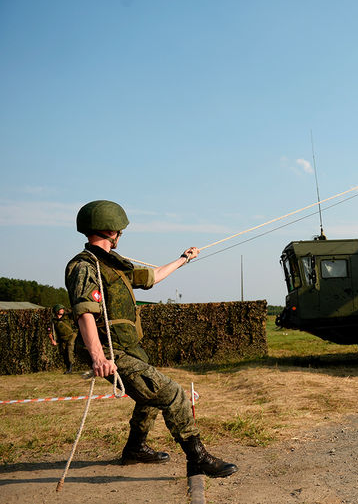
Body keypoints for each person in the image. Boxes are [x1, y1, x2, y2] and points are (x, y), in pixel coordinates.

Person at [65, 200, 237, 478]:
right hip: (111, 351)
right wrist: (99, 357)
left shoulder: (114, 266)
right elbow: (85, 312)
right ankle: (198, 458)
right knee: (172, 394)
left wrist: (184, 258)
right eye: (119, 229)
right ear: (112, 231)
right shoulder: (85, 267)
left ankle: (135, 449)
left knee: (148, 396)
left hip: (128, 348)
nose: (121, 234)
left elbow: (153, 277)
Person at [48, 304, 78, 374]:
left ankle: (70, 367)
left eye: (62, 309)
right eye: (60, 309)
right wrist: (52, 340)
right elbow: (49, 332)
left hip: (71, 335)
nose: (62, 310)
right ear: (56, 311)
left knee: (69, 348)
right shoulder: (53, 321)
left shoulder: (67, 316)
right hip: (62, 339)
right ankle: (68, 368)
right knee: (64, 353)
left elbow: (74, 312)